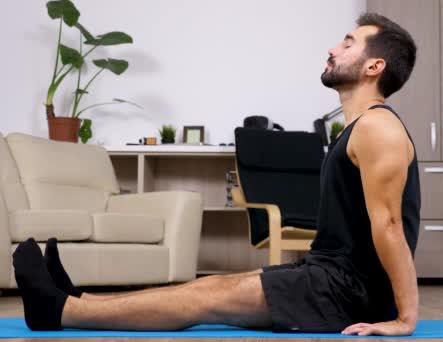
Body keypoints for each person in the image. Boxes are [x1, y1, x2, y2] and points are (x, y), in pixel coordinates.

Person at [12, 12, 420, 336]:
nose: (333, 49)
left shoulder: (377, 128)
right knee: (205, 287)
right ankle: (75, 298)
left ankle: (60, 310)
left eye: (348, 44)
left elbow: (389, 225)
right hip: (329, 275)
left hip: (348, 293)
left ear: (374, 66)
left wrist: (405, 317)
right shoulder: (359, 128)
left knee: (204, 300)